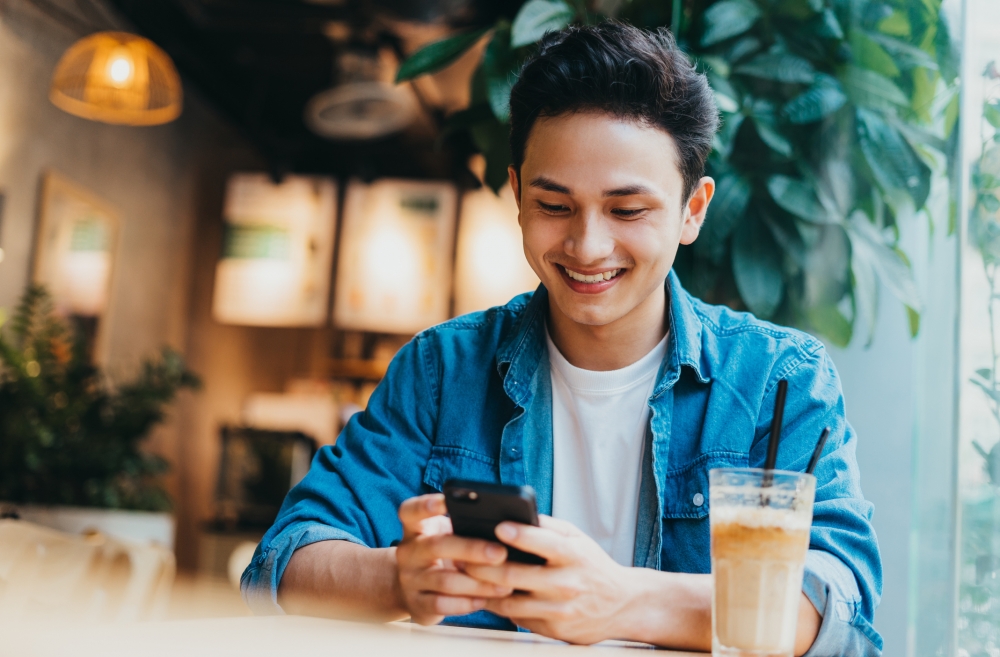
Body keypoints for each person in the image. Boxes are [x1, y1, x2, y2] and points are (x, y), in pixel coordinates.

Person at [242, 22, 882, 656]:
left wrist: (621, 601)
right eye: (555, 205)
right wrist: (398, 579)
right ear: (517, 194)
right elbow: (282, 566)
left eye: (628, 210)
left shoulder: (780, 379)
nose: (587, 246)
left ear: (693, 209)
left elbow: (836, 609)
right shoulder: (443, 370)